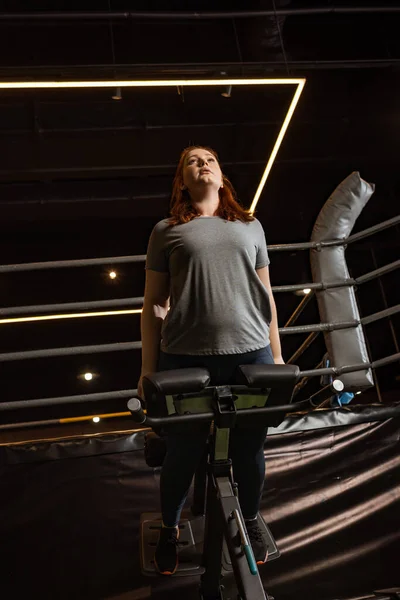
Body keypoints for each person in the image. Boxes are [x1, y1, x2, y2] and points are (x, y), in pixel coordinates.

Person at [138, 146, 284, 576]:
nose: (202, 164)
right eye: (191, 161)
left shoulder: (250, 226)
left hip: (251, 352)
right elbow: (153, 305)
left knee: (250, 450)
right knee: (181, 452)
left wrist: (276, 354)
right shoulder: (166, 231)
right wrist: (148, 369)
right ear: (182, 181)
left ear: (222, 178)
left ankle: (252, 521)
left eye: (210, 160)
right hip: (183, 355)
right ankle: (169, 529)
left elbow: (266, 296)